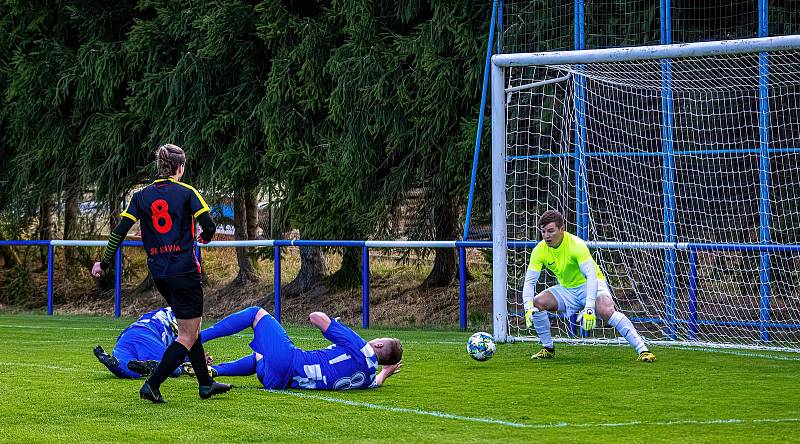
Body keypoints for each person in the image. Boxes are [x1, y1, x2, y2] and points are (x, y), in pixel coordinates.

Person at [92, 143, 230, 403]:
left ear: (159, 167)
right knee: (187, 334)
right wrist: (206, 236)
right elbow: (209, 225)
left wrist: (104, 263)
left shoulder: (140, 196)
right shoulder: (188, 192)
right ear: (181, 167)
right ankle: (152, 385)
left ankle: (206, 383)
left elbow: (119, 232)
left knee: (192, 327)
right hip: (185, 271)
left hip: (160, 273)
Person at [522, 210, 656, 362]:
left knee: (605, 309)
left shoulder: (576, 245)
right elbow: (530, 281)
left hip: (591, 284)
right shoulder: (539, 250)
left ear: (562, 229)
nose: (546, 236)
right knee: (537, 302)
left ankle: (643, 350)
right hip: (567, 290)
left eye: (551, 231)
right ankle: (548, 348)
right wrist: (528, 306)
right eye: (543, 231)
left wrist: (590, 307)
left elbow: (591, 277)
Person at [182, 306, 403, 390]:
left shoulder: (360, 345)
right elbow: (377, 383)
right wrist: (385, 372)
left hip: (289, 363)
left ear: (380, 344)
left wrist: (334, 323)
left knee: (256, 313)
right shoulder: (367, 378)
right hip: (279, 382)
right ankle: (215, 371)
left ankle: (196, 338)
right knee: (260, 355)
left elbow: (315, 318)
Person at [94, 307, 187, 379]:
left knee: (130, 370)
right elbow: (190, 340)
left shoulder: (155, 315)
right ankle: (150, 367)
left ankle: (115, 364)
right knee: (175, 369)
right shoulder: (178, 317)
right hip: (147, 335)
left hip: (125, 338)